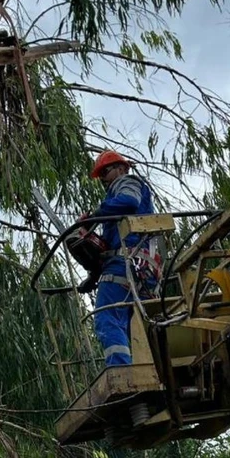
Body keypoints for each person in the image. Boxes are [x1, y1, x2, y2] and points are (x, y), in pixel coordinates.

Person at [80, 150, 159, 367]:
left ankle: (122, 373)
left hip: (129, 262)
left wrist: (95, 215)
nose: (104, 179)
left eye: (106, 171)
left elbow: (129, 201)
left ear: (122, 168)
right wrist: (93, 275)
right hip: (138, 266)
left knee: (108, 318)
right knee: (135, 327)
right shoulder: (115, 219)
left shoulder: (127, 182)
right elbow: (108, 248)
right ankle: (145, 370)